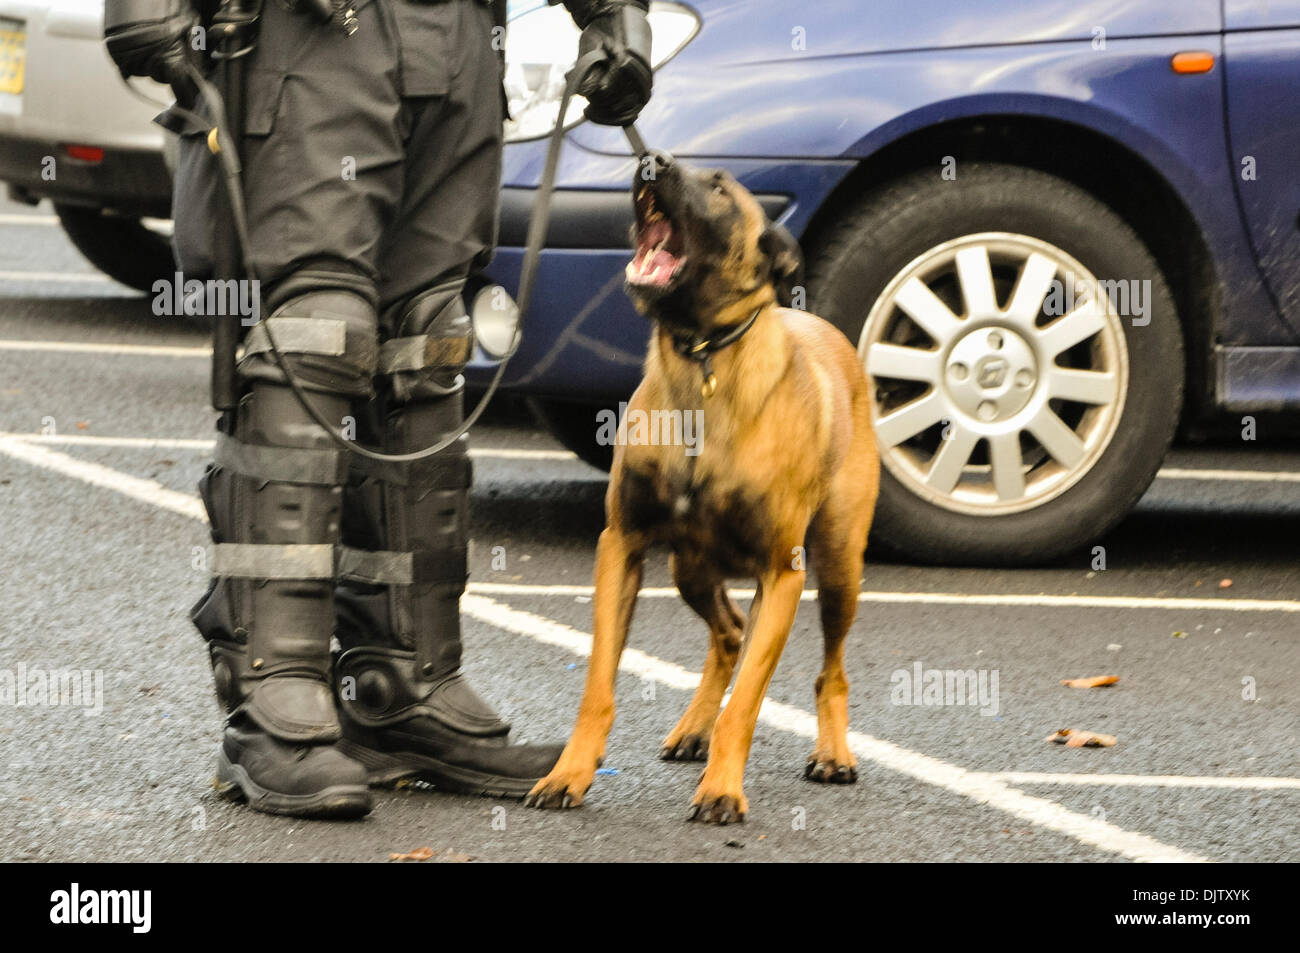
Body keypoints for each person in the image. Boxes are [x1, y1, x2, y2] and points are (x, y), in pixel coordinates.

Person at [104, 0, 652, 818]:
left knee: (423, 350)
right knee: (313, 335)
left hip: (461, 50)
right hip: (313, 46)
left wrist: (615, 14)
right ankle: (272, 692)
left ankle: (403, 685)